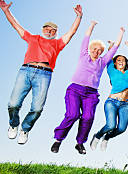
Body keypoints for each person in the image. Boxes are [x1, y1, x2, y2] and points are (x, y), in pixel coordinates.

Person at [0, 0, 83, 144]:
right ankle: (13, 125)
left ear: (56, 33)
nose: (49, 32)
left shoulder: (58, 44)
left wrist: (79, 17)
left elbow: (72, 32)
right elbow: (15, 25)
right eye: (47, 29)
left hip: (44, 75)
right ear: (43, 29)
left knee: (37, 108)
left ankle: (25, 129)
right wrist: (7, 11)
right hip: (26, 71)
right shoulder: (32, 38)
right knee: (13, 104)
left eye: (53, 31)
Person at [51, 23, 124, 154]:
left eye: (99, 51)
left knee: (88, 117)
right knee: (72, 115)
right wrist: (92, 25)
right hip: (75, 90)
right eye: (94, 49)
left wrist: (121, 33)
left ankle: (79, 143)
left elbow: (114, 48)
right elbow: (86, 37)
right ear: (90, 49)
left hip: (91, 94)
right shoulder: (83, 55)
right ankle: (58, 140)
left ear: (102, 53)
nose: (96, 52)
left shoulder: (102, 62)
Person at [89, 39, 128, 151]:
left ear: (126, 63)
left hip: (125, 104)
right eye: (119, 60)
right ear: (115, 63)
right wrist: (111, 47)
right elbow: (109, 57)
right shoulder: (111, 70)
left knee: (121, 128)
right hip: (112, 102)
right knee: (111, 125)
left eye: (123, 60)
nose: (121, 62)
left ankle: (107, 137)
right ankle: (97, 136)